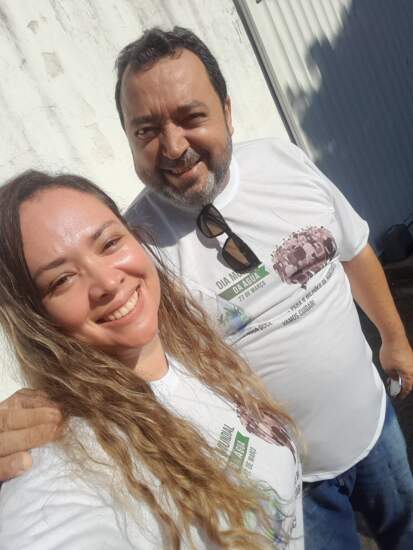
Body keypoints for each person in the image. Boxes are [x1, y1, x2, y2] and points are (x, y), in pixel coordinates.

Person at [1, 25, 413, 548]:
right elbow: (96, 371)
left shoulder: (284, 162)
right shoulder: (134, 248)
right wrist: (28, 423)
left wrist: (395, 339)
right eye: (146, 130)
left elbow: (354, 251)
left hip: (375, 426)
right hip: (295, 489)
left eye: (191, 117)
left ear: (228, 111)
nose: (173, 147)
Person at [0, 170, 303, 549]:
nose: (108, 283)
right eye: (61, 280)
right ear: (35, 319)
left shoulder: (193, 342)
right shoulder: (59, 472)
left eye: (109, 243)